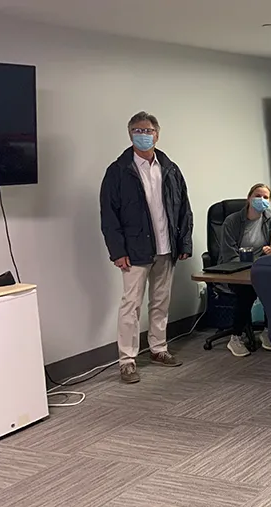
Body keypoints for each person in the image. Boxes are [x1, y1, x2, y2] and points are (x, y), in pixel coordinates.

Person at [100, 111, 192, 384]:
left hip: (167, 247)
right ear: (130, 135)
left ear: (157, 134)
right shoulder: (117, 172)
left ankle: (159, 349)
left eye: (148, 130)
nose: (143, 135)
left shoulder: (170, 168)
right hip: (135, 251)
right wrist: (117, 252)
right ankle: (127, 360)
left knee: (161, 302)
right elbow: (109, 215)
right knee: (131, 305)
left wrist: (183, 242)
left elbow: (183, 208)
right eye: (138, 131)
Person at [219, 183, 271, 357]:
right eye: (257, 196)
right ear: (249, 198)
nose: (261, 200)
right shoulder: (232, 221)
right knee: (247, 292)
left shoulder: (270, 217)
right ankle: (235, 337)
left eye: (266, 197)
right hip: (236, 269)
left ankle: (268, 331)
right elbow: (229, 254)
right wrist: (248, 268)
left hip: (262, 268)